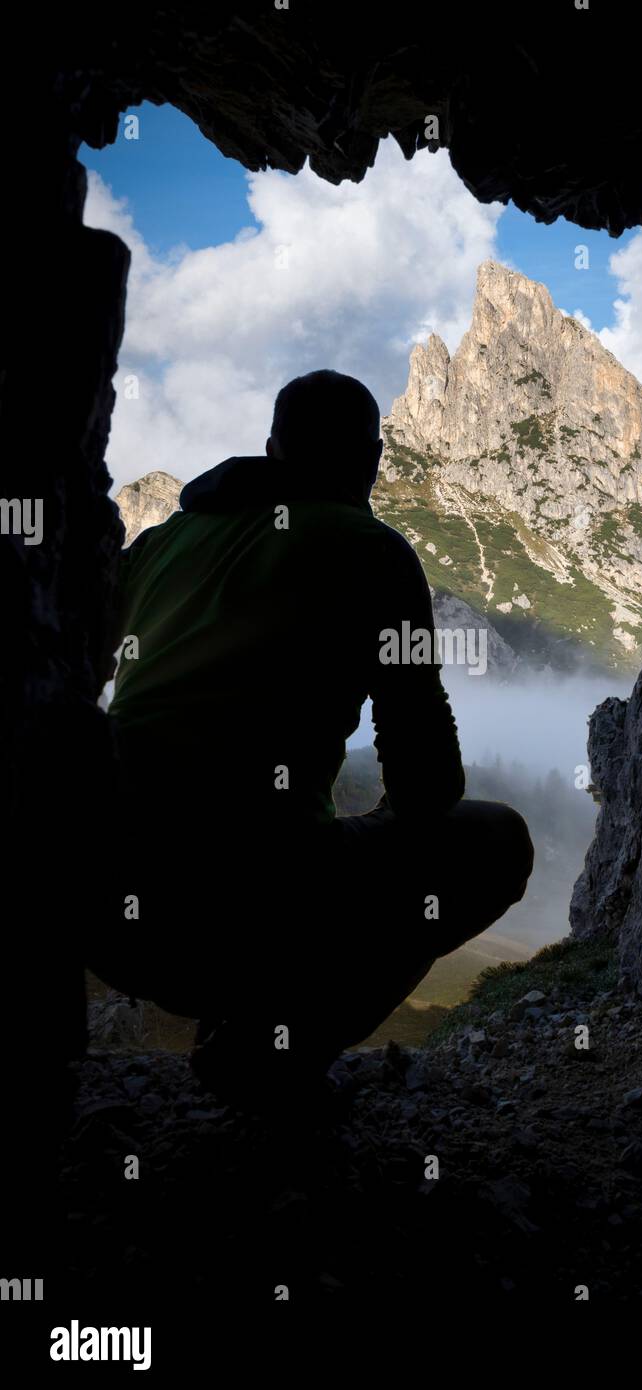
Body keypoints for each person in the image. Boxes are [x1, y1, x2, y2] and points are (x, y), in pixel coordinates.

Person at [92, 369, 533, 1103]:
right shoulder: (373, 550)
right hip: (254, 916)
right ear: (373, 461)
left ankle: (243, 1027)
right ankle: (270, 1057)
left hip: (107, 905)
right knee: (496, 843)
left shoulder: (161, 543)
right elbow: (430, 788)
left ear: (271, 447)